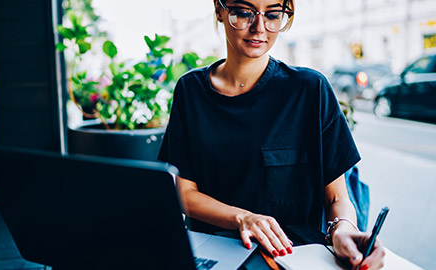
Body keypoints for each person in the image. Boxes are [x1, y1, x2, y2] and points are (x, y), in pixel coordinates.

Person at [158, 0, 385, 269]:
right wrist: (242, 218)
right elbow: (185, 193)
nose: (259, 28)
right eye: (243, 13)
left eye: (273, 15)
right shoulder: (191, 90)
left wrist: (343, 230)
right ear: (219, 10)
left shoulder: (310, 90)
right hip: (216, 252)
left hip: (289, 256)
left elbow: (336, 197)